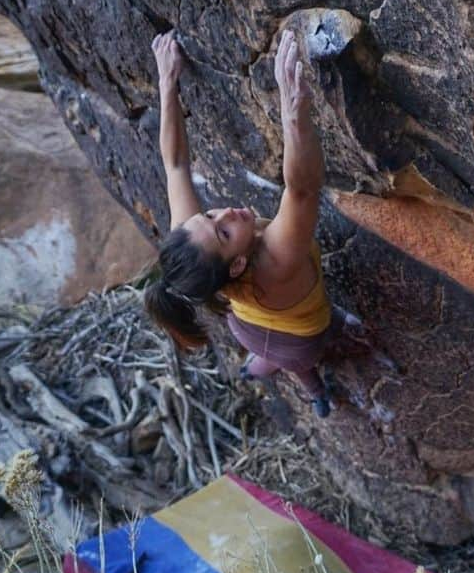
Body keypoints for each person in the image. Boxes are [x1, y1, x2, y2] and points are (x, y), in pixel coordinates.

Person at [144, 28, 338, 417]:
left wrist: (167, 82)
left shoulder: (196, 246)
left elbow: (176, 163)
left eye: (210, 214)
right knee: (301, 364)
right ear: (237, 265)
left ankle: (259, 365)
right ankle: (314, 391)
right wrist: (293, 117)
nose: (226, 212)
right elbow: (301, 191)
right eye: (225, 230)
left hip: (245, 326)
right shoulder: (275, 262)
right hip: (300, 339)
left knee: (265, 352)